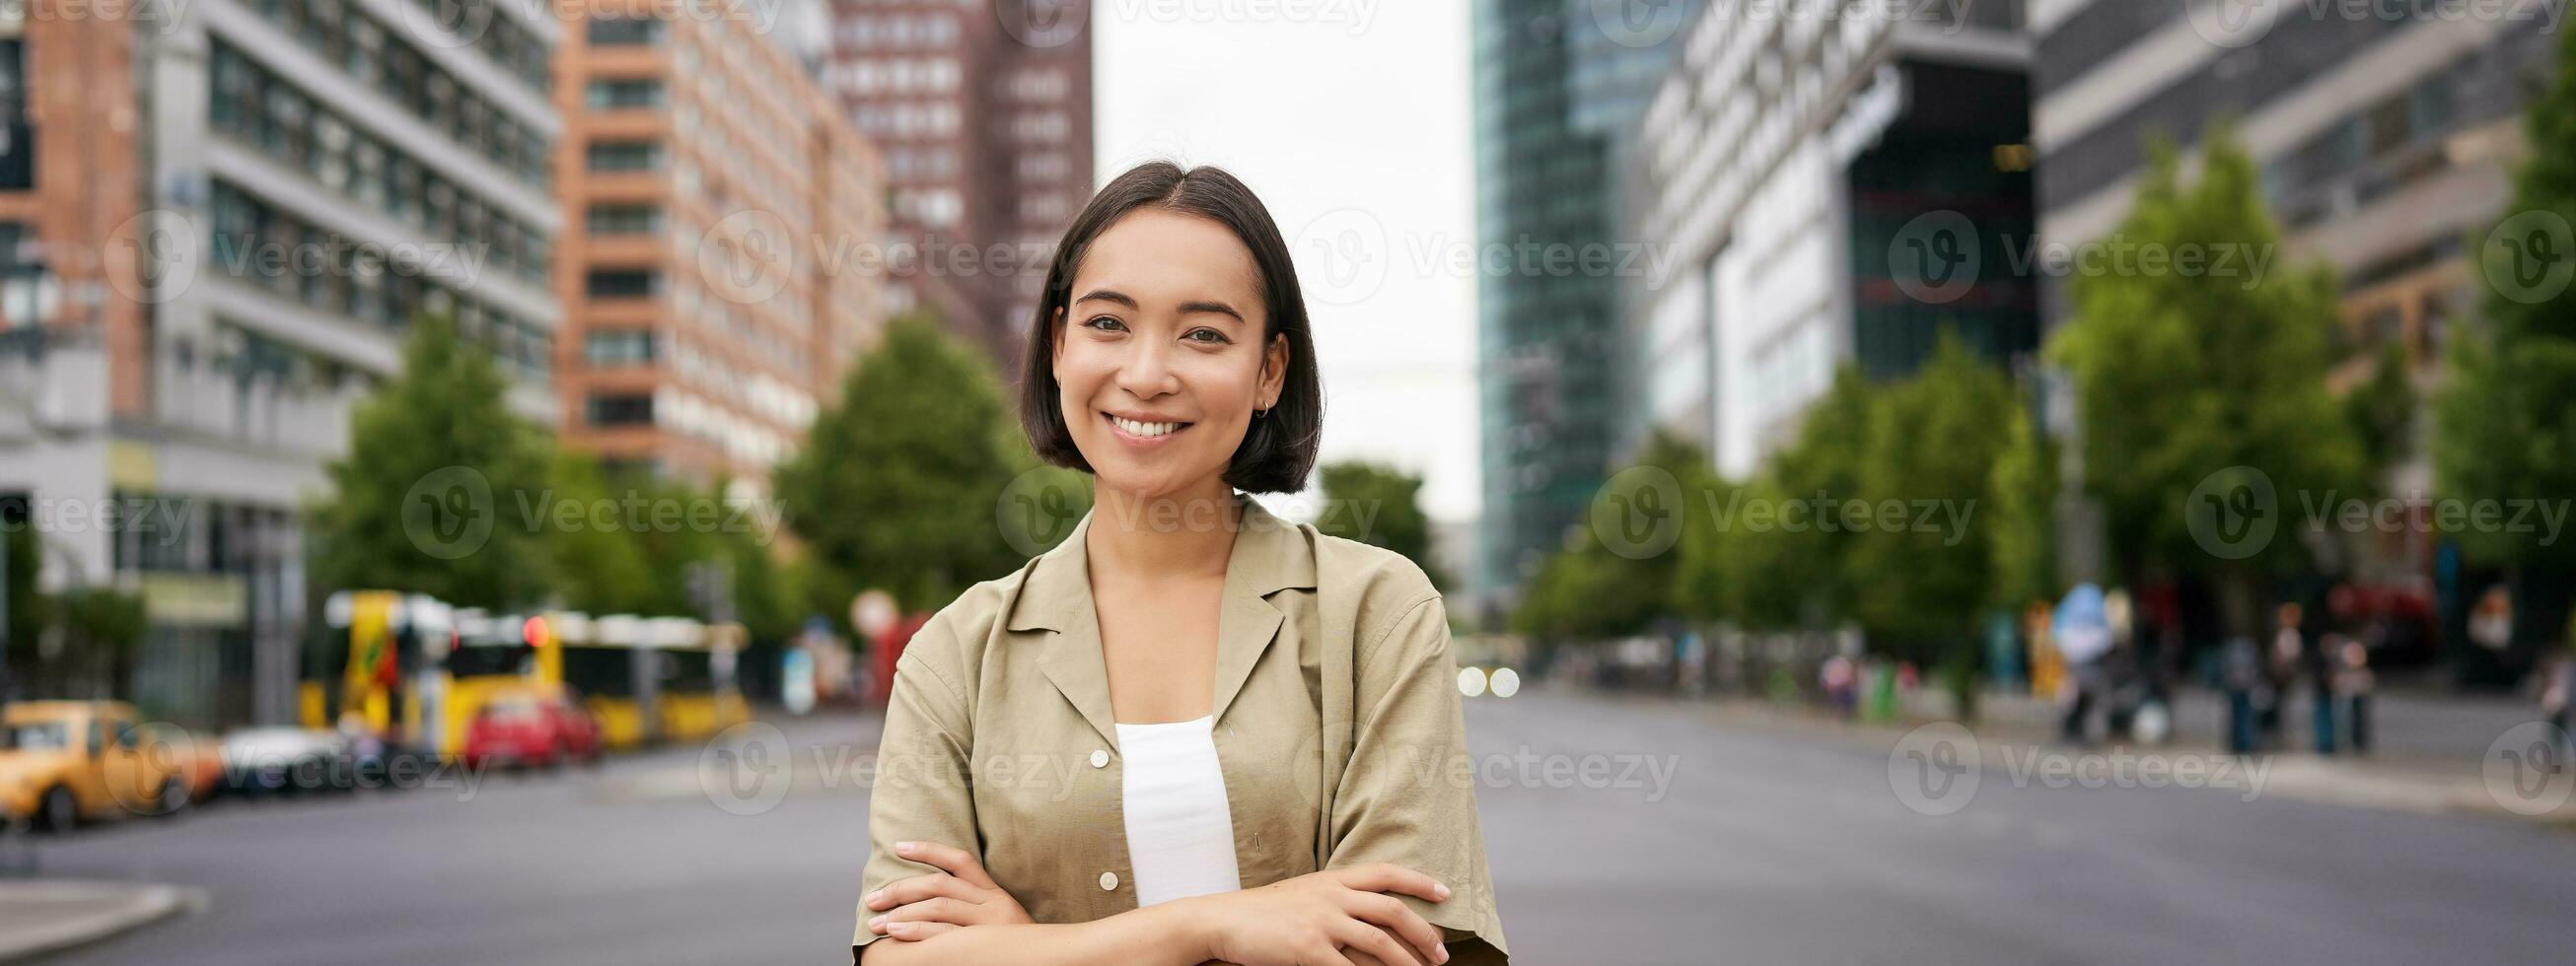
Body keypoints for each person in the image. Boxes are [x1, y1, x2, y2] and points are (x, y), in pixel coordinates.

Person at [851, 162, 1508, 966]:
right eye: (1107, 324)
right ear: (1058, 345)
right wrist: (1211, 927)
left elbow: (1396, 945)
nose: (1147, 374)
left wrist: (1027, 950)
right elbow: (899, 956)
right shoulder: (957, 653)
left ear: (1269, 371)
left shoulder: (1377, 611)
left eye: (1204, 333)